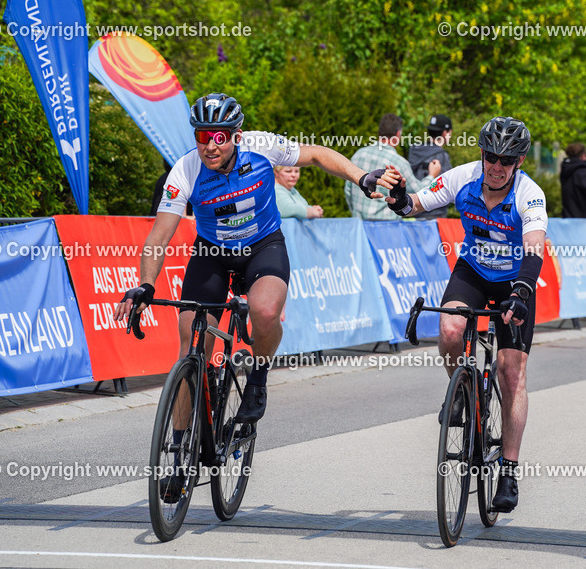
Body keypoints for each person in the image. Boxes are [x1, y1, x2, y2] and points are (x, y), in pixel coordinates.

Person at [114, 93, 396, 496]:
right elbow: (159, 236)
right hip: (212, 254)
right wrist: (145, 284)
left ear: (237, 135)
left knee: (264, 312)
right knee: (190, 340)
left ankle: (259, 376)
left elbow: (316, 155)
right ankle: (178, 452)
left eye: (219, 136)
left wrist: (361, 177)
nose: (211, 145)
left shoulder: (262, 147)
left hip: (262, 247)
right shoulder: (186, 170)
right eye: (202, 136)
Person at [385, 116, 547, 514]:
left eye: (506, 161)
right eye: (491, 157)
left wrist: (522, 292)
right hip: (473, 271)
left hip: (513, 281)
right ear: (482, 154)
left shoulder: (529, 194)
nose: (497, 166)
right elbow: (416, 204)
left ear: (519, 162)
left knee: (511, 372)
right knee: (451, 328)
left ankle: (508, 470)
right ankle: (462, 392)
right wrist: (400, 198)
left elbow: (534, 246)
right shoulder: (463, 177)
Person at [345, 113, 440, 220]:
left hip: (359, 225)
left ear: (379, 133)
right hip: (388, 226)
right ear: (398, 134)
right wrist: (432, 175)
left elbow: (348, 191)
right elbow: (418, 193)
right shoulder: (399, 163)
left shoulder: (358, 155)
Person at [407, 114, 454, 220]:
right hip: (435, 215)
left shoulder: (414, 150)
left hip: (414, 211)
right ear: (445, 133)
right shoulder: (441, 156)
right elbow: (448, 187)